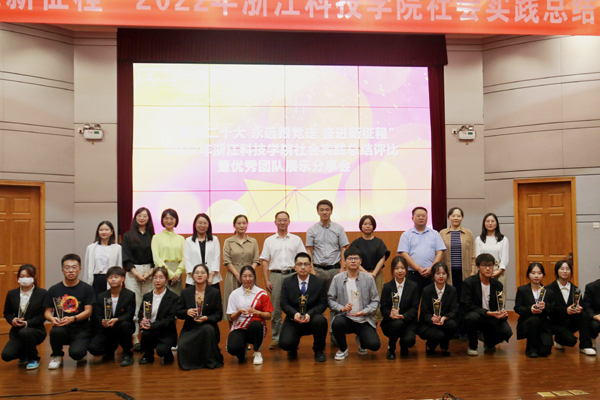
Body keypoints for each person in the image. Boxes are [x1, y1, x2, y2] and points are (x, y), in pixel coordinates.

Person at [260, 211, 306, 349]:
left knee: (296, 307)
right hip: (275, 275)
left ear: (289, 222)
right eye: (279, 220)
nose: (282, 222)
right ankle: (277, 338)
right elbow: (264, 261)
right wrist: (266, 280)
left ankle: (294, 338)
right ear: (275, 222)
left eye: (285, 220)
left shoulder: (296, 239)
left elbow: (303, 259)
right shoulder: (269, 240)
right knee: (275, 309)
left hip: (293, 275)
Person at [306, 199, 349, 346]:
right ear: (318, 211)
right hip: (317, 270)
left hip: (335, 270)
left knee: (335, 303)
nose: (324, 212)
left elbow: (343, 249)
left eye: (327, 209)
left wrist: (342, 268)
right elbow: (309, 250)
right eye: (322, 209)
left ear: (331, 211)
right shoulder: (312, 230)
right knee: (317, 304)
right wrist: (311, 269)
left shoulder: (339, 229)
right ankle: (319, 337)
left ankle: (334, 334)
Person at [44, 254, 96, 369]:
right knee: (55, 332)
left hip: (81, 327)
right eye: (67, 267)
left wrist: (73, 318)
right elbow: (47, 312)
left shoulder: (87, 288)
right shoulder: (54, 289)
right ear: (62, 270)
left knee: (77, 354)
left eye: (74, 267)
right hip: (61, 326)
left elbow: (88, 311)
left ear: (80, 269)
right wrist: (52, 319)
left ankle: (80, 352)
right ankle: (57, 355)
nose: (70, 270)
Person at [328, 247, 380, 361]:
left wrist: (364, 311)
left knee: (375, 345)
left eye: (356, 258)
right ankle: (343, 349)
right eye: (350, 258)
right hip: (345, 318)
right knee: (336, 322)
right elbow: (330, 299)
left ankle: (361, 340)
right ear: (344, 261)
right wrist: (342, 308)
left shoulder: (369, 278)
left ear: (360, 261)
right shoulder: (337, 278)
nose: (353, 261)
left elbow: (375, 300)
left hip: (363, 319)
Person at [279, 252, 328, 362]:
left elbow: (323, 303)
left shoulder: (319, 282)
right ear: (295, 267)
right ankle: (292, 347)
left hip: (312, 319)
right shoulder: (287, 282)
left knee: (320, 321)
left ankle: (319, 350)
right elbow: (283, 303)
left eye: (306, 264)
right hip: (293, 319)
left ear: (310, 267)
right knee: (285, 344)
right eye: (299, 264)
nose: (302, 267)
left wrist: (309, 314)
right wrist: (294, 314)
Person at [461, 253, 513, 356]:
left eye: (490, 265)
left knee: (506, 331)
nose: (488, 268)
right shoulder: (469, 283)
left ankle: (488, 342)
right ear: (478, 267)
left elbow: (499, 304)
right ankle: (472, 346)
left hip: (491, 316)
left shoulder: (497, 285)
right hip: (475, 315)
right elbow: (468, 305)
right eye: (484, 265)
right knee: (473, 318)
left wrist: (501, 313)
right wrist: (488, 313)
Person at [176, 264, 224, 370]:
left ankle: (209, 361)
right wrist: (187, 312)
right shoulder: (185, 292)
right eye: (196, 273)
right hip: (190, 327)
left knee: (207, 329)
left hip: (208, 326)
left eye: (203, 272)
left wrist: (207, 318)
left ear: (207, 275)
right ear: (192, 276)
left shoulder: (214, 293)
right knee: (182, 346)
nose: (199, 275)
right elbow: (178, 312)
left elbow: (218, 315)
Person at [122, 207, 155, 352]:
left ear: (149, 219)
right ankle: (135, 336)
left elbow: (155, 258)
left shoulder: (153, 236)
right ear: (135, 217)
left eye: (145, 216)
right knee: (134, 304)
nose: (142, 218)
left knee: (147, 304)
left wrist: (149, 273)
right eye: (139, 215)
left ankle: (147, 335)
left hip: (150, 272)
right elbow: (126, 257)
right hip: (132, 272)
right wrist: (136, 274)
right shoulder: (128, 236)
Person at [2, 264, 47, 370]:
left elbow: (43, 315)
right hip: (17, 332)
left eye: (28, 276)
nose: (24, 279)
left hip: (36, 330)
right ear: (18, 278)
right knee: (6, 355)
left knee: (25, 332)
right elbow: (7, 313)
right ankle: (24, 354)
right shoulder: (12, 293)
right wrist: (12, 320)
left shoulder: (42, 293)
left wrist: (27, 323)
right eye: (22, 276)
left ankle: (33, 358)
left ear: (34, 276)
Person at [546, 260, 595, 356]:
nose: (565, 271)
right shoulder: (549, 289)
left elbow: (581, 305)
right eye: (562, 269)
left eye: (567, 269)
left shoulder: (575, 289)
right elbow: (548, 309)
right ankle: (559, 339)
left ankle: (585, 346)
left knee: (584, 315)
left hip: (571, 321)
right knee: (571, 341)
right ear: (557, 271)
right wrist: (565, 310)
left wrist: (579, 308)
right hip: (556, 322)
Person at [89, 267, 136, 366]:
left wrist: (117, 319)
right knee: (93, 348)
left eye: (116, 277)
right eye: (110, 277)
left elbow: (129, 314)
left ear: (123, 279)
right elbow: (97, 314)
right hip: (107, 328)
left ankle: (127, 353)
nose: (113, 280)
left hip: (123, 326)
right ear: (107, 280)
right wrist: (102, 321)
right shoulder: (101, 296)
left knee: (125, 325)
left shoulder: (130, 295)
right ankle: (110, 350)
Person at [226, 266, 273, 365]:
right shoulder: (234, 294)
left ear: (254, 277)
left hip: (256, 327)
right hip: (240, 327)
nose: (247, 279)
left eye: (250, 276)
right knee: (233, 348)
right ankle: (242, 350)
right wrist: (239, 312)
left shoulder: (262, 293)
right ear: (240, 278)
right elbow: (232, 318)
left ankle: (257, 352)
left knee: (256, 325)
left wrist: (258, 312)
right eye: (245, 276)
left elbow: (268, 316)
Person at [349, 215, 390, 323]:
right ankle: (360, 323)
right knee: (361, 298)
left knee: (377, 297)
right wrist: (366, 273)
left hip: (376, 275)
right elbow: (354, 259)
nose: (367, 226)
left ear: (374, 226)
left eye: (370, 224)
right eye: (365, 224)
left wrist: (374, 273)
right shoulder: (357, 243)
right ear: (361, 226)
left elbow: (382, 258)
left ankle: (374, 324)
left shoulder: (379, 242)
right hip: (360, 274)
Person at [397, 206, 446, 296]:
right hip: (413, 274)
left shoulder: (435, 234)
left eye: (423, 216)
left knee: (432, 301)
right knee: (412, 300)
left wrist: (431, 269)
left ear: (427, 218)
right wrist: (419, 269)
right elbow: (404, 255)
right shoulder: (406, 235)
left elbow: (439, 253)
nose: (421, 218)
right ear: (412, 218)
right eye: (418, 216)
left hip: (431, 274)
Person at [222, 214, 260, 326]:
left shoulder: (253, 241)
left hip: (250, 278)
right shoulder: (228, 241)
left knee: (251, 305)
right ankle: (233, 334)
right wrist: (238, 275)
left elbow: (256, 260)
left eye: (244, 223)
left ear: (247, 225)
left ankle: (249, 334)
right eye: (239, 223)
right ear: (234, 225)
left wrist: (248, 275)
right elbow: (227, 261)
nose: (242, 225)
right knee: (232, 307)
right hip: (233, 277)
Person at [380, 256, 419, 359]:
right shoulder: (387, 287)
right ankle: (391, 348)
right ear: (393, 270)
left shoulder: (413, 286)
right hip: (391, 323)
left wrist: (403, 316)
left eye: (402, 268)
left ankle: (404, 345)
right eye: (397, 268)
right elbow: (383, 307)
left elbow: (414, 308)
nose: (400, 271)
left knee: (409, 341)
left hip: (407, 322)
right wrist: (390, 314)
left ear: (406, 269)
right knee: (397, 323)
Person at [138, 267, 179, 364]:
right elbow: (140, 314)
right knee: (145, 334)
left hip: (166, 331)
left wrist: (152, 326)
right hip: (150, 331)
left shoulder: (173, 297)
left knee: (162, 351)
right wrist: (142, 322)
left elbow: (169, 319)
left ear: (166, 279)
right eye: (155, 277)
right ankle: (148, 355)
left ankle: (167, 353)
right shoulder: (147, 296)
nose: (157, 280)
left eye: (161, 278)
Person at [418, 263, 459, 356]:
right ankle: (430, 345)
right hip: (429, 323)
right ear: (433, 275)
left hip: (444, 321)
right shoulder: (427, 290)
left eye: (444, 273)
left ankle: (444, 345)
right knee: (439, 335)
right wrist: (432, 318)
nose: (441, 276)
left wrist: (444, 318)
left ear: (447, 275)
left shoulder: (452, 290)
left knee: (452, 325)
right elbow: (424, 312)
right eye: (438, 273)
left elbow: (454, 311)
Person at [514, 262, 553, 358]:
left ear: (543, 275)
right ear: (528, 275)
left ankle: (539, 342)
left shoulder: (548, 292)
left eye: (539, 273)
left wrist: (545, 306)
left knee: (545, 352)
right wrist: (529, 310)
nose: (536, 276)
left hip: (543, 324)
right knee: (534, 320)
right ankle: (531, 348)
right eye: (533, 273)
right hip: (527, 322)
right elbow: (517, 307)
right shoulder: (522, 290)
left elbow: (553, 309)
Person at [151, 208, 185, 295]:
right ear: (162, 220)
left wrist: (177, 274)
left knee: (176, 298)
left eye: (172, 218)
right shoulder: (156, 237)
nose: (169, 221)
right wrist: (170, 274)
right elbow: (156, 258)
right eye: (166, 218)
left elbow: (184, 258)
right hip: (161, 272)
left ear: (176, 220)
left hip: (177, 272)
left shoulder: (181, 238)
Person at [83, 220, 122, 295]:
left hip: (110, 279)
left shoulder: (117, 248)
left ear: (111, 232)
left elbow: (119, 266)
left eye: (106, 230)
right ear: (98, 232)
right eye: (101, 230)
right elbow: (87, 268)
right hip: (95, 279)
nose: (104, 232)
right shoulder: (91, 248)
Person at [184, 213, 221, 291]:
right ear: (195, 225)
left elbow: (216, 258)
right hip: (193, 280)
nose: (202, 225)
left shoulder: (214, 239)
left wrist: (210, 276)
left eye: (205, 223)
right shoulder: (188, 241)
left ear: (209, 225)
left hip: (211, 280)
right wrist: (195, 276)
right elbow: (187, 260)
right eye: (200, 223)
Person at [475, 213, 509, 289]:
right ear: (484, 224)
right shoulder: (479, 239)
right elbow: (478, 257)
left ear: (496, 223)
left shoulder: (503, 239)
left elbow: (505, 257)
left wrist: (499, 271)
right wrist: (483, 270)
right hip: (483, 271)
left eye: (493, 221)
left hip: (498, 270)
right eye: (487, 221)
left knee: (499, 293)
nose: (490, 223)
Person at [583, 273, 600, 351]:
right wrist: (595, 316)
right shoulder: (591, 287)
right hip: (596, 315)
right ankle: (592, 338)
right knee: (594, 325)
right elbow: (587, 306)